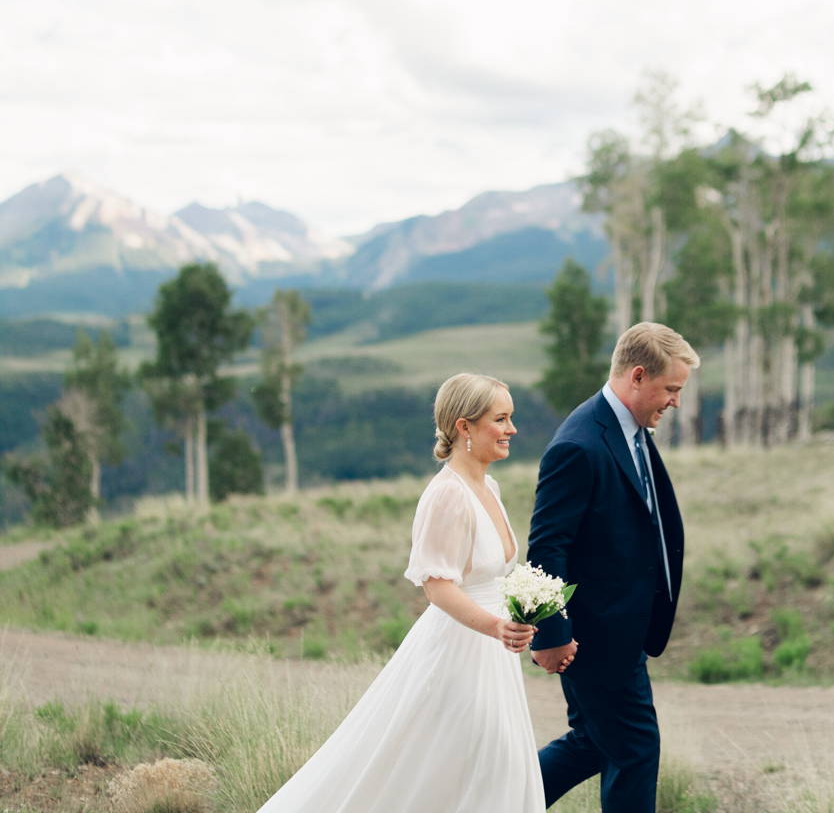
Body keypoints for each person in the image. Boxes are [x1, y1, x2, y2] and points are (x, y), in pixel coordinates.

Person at [257, 372, 545, 813]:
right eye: (501, 419)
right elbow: (437, 586)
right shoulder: (447, 495)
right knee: (452, 767)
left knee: (492, 766)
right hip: (459, 651)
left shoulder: (490, 487)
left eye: (511, 418)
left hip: (494, 656)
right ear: (463, 427)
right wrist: (495, 626)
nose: (512, 430)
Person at [528, 321, 699, 812]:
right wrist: (551, 633)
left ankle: (494, 801)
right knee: (636, 750)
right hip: (595, 637)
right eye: (671, 389)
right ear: (638, 376)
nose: (676, 402)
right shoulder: (578, 445)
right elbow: (547, 549)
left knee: (592, 744)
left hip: (624, 631)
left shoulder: (629, 429)